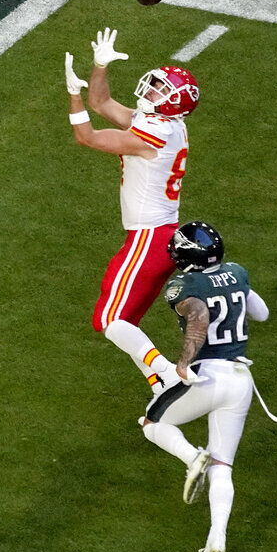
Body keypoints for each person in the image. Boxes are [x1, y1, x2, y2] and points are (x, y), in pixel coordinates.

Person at [64, 28, 201, 395]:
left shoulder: (154, 134)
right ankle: (159, 382)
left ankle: (170, 374)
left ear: (172, 104)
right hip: (159, 235)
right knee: (124, 322)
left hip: (150, 238)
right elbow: (103, 103)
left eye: (160, 90)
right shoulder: (166, 125)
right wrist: (98, 66)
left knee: (108, 320)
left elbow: (88, 136)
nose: (151, 91)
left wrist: (72, 94)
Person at [139, 221, 269, 552]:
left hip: (210, 375)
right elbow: (262, 313)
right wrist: (236, 290)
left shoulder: (184, 285)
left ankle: (190, 457)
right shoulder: (238, 272)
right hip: (241, 380)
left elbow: (198, 316)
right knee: (223, 465)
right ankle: (216, 539)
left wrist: (183, 363)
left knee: (153, 423)